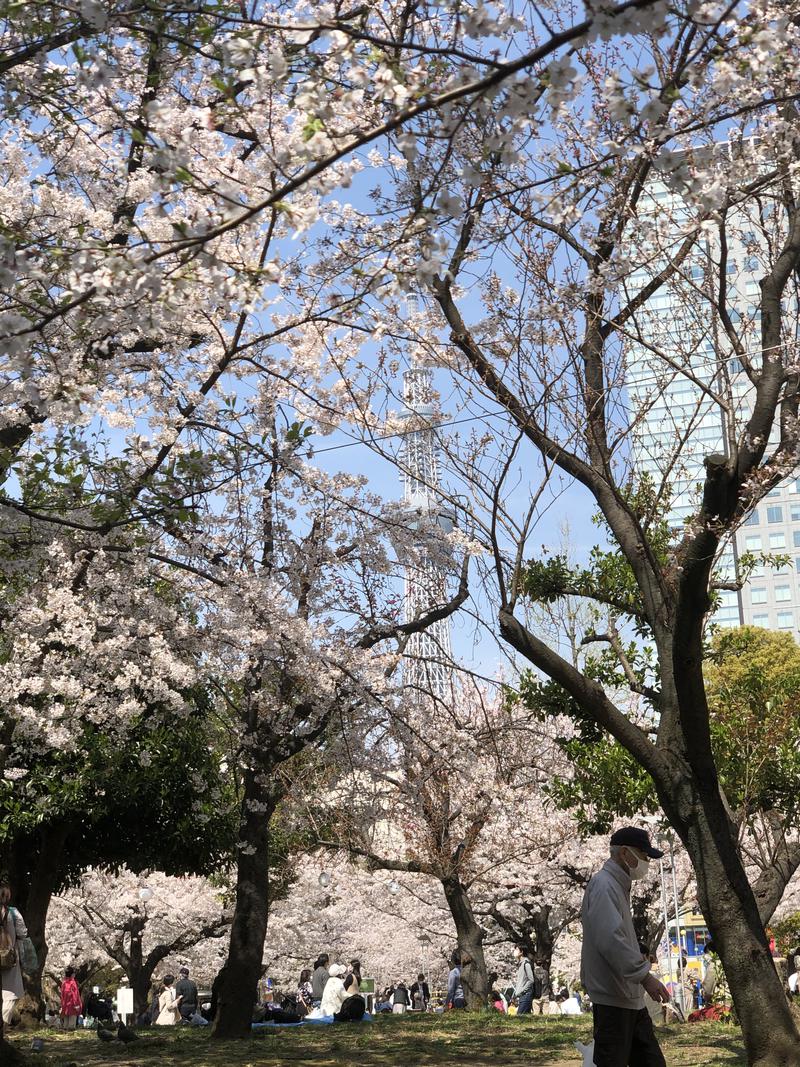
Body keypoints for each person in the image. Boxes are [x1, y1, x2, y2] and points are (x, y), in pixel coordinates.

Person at [581, 826, 670, 1067]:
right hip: (613, 997)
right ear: (624, 853)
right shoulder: (604, 885)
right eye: (643, 855)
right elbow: (611, 940)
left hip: (627, 995)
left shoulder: (616, 885)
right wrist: (644, 976)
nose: (646, 862)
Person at [0, 884, 27, 1026]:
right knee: (10, 994)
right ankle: (3, 1024)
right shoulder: (13, 912)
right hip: (8, 957)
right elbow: (23, 933)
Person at [512, 945, 535, 1014]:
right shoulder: (520, 964)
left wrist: (522, 990)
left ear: (521, 952)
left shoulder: (526, 964)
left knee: (519, 1017)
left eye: (516, 950)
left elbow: (531, 980)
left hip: (526, 995)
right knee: (525, 1019)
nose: (514, 951)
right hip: (522, 996)